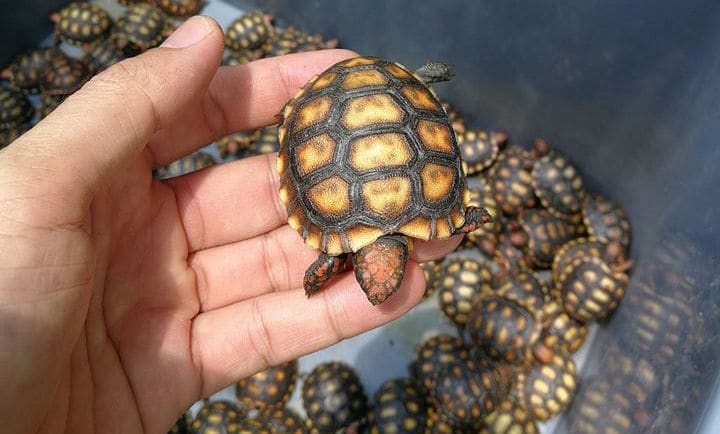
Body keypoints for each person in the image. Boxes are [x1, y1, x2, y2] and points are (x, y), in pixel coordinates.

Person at [0, 16, 460, 434]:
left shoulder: (355, 236)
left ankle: (409, 83)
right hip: (352, 101)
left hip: (334, 105)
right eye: (374, 277)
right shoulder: (430, 217)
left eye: (372, 279)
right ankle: (408, 82)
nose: (378, 288)